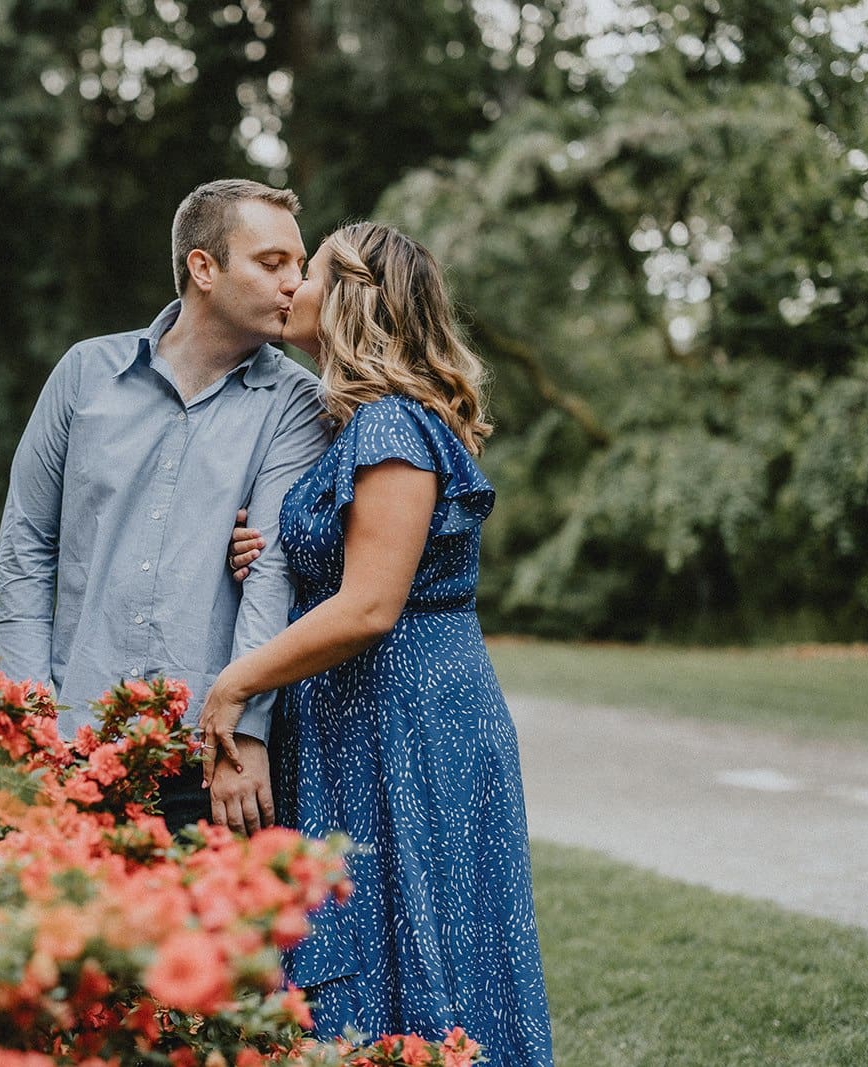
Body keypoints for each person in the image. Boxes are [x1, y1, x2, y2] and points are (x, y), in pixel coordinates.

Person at [198, 222, 553, 1063]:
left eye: (310, 271)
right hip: (367, 720)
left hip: (409, 720)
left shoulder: (390, 425)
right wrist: (271, 550)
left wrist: (234, 683)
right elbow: (351, 567)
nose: (292, 286)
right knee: (389, 943)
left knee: (421, 945)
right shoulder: (365, 424)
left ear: (350, 300)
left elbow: (369, 606)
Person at [0, 179, 330, 835]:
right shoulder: (84, 374)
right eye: (272, 263)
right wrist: (31, 716)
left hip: (203, 752)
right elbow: (26, 545)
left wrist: (245, 733)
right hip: (73, 739)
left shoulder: (296, 403)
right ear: (203, 268)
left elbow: (270, 569)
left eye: (299, 264)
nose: (295, 283)